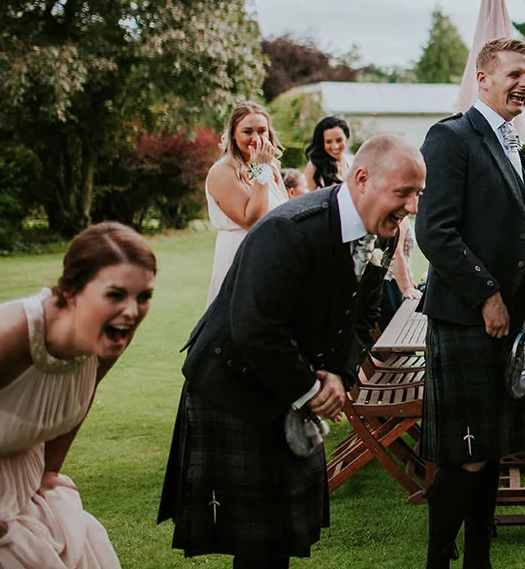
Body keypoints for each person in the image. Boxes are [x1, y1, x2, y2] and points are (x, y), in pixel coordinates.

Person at [159, 134, 425, 568]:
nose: (412, 206)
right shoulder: (290, 228)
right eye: (404, 192)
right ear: (362, 179)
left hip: (286, 379)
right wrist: (311, 389)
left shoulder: (383, 234)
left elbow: (363, 314)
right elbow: (255, 328)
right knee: (257, 541)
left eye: (418, 194)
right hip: (233, 385)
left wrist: (339, 374)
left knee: (279, 536)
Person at [415, 38, 525, 569]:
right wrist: (488, 295)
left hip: (512, 324)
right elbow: (435, 231)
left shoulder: (520, 143)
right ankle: (438, 559)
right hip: (466, 320)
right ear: (484, 77)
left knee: (490, 449)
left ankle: (478, 559)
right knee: (466, 452)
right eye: (514, 73)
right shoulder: (451, 137)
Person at [0, 222, 157, 566]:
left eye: (143, 297)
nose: (131, 311)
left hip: (23, 488)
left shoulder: (107, 336)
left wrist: (49, 472)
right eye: (115, 294)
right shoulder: (4, 336)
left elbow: (77, 397)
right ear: (70, 291)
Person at [205, 102, 289, 305]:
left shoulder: (268, 166)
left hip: (270, 255)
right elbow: (252, 220)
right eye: (247, 132)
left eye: (262, 131)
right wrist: (262, 169)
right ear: (233, 135)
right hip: (239, 254)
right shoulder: (223, 171)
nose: (256, 138)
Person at [303, 115, 353, 191]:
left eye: (339, 140)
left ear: (346, 137)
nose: (335, 146)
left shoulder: (353, 161)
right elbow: (305, 196)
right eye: (328, 142)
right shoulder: (314, 166)